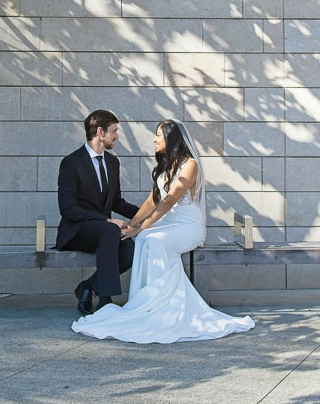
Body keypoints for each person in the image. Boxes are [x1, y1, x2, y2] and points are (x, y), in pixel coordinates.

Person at [72, 119, 254, 343]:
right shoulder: (166, 165)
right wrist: (133, 226)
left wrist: (141, 228)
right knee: (144, 238)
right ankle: (145, 302)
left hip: (188, 225)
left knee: (153, 239)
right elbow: (152, 200)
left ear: (171, 138)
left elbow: (168, 201)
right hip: (170, 223)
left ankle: (161, 305)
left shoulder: (190, 165)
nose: (154, 139)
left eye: (158, 135)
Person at [56, 109, 141, 315]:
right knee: (111, 230)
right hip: (77, 230)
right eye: (114, 131)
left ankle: (87, 287)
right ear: (100, 132)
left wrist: (149, 212)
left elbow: (117, 202)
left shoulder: (112, 162)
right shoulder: (71, 163)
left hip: (104, 231)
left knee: (129, 249)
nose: (117, 136)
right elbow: (68, 209)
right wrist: (106, 220)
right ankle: (105, 301)